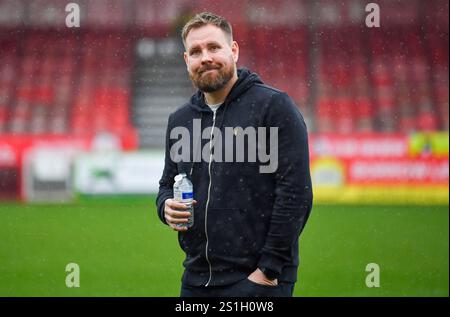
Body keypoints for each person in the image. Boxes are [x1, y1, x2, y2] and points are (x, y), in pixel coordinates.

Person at [156, 12, 313, 297]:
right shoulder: (179, 120)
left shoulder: (274, 107)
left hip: (257, 282)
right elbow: (167, 184)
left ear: (234, 50)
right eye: (195, 51)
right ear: (186, 60)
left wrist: (268, 271)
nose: (205, 57)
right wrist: (165, 206)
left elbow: (296, 194)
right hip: (195, 281)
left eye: (214, 47)